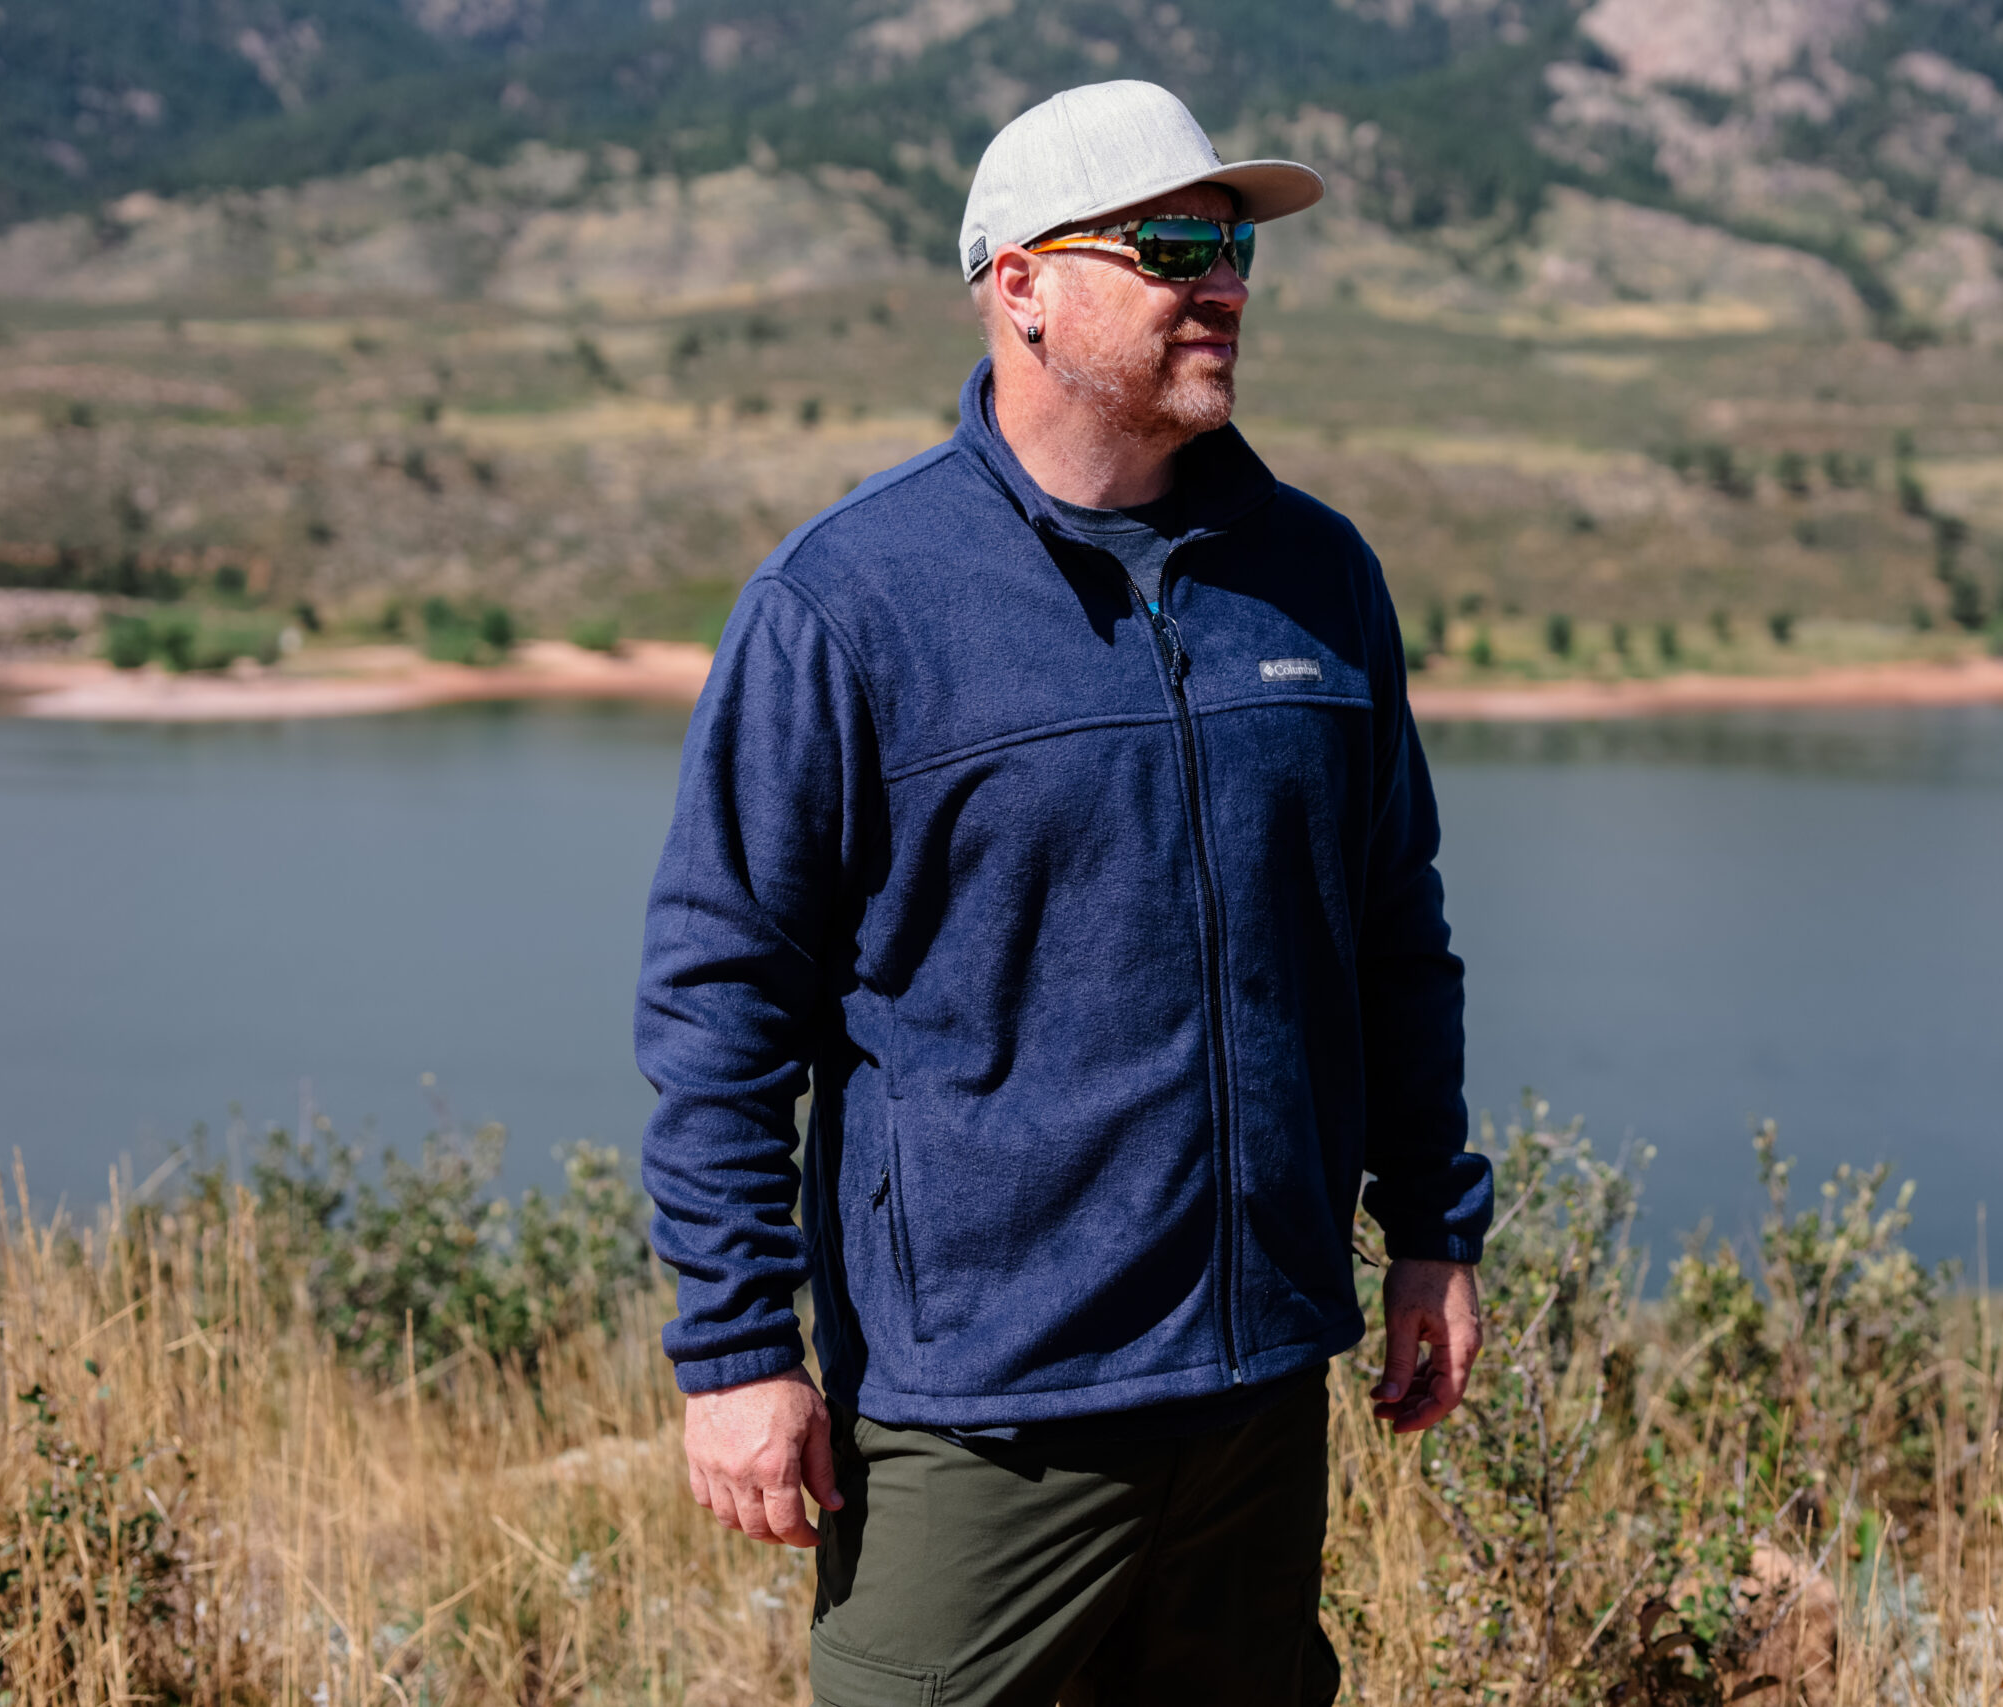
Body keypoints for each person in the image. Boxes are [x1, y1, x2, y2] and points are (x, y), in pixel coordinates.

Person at [636, 79, 1492, 1706]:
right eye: (1173, 241)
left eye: (1234, 242)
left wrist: (1433, 1231)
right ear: (1020, 282)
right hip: (985, 1412)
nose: (1221, 279)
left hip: (1257, 1392)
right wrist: (738, 1351)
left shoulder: (1319, 577)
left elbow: (1394, 933)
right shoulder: (847, 601)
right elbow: (721, 995)